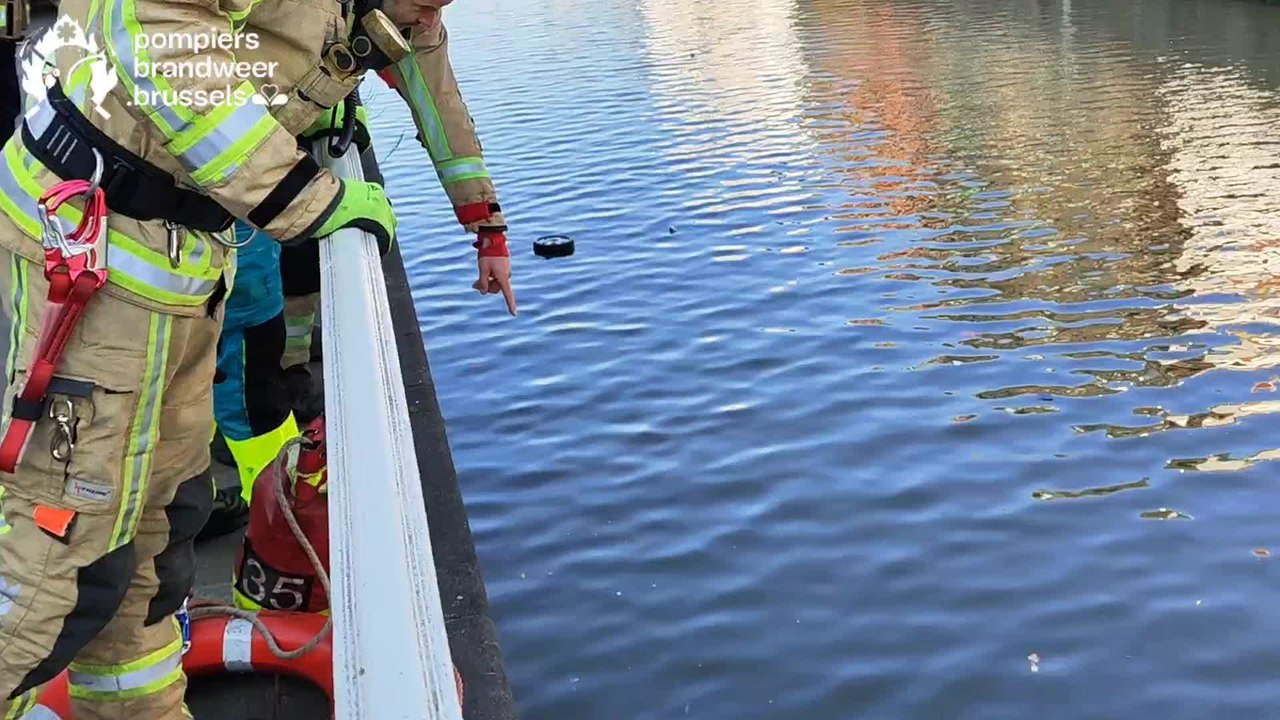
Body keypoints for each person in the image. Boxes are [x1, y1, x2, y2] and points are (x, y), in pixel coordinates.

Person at [0, 0, 513, 716]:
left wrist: (485, 221)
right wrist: (307, 201)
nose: (436, 8)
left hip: (181, 266)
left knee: (155, 537)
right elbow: (157, 32)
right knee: (61, 548)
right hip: (95, 253)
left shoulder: (404, 12)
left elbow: (438, 95)